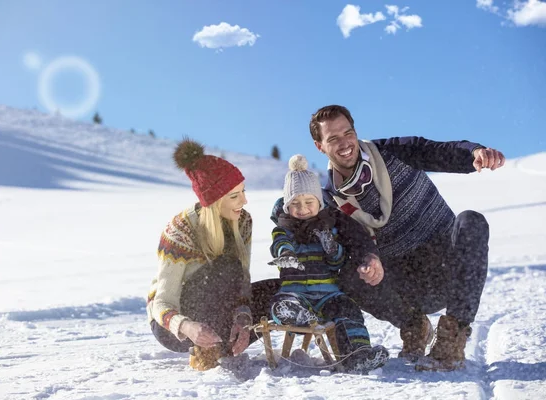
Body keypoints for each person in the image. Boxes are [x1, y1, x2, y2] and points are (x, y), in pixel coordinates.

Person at [298, 104, 505, 372]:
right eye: (333, 139)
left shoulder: (391, 152)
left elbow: (435, 151)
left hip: (446, 266)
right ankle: (413, 326)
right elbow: (349, 243)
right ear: (319, 146)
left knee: (471, 221)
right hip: (403, 283)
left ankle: (452, 337)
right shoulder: (330, 199)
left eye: (347, 133)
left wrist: (475, 153)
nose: (344, 143)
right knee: (348, 271)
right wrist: (367, 259)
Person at [147, 138, 275, 371]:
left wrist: (244, 319)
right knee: (225, 266)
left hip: (220, 312)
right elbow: (161, 303)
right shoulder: (180, 230)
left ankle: (226, 341)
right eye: (234, 196)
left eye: (243, 192)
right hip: (175, 327)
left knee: (279, 290)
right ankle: (208, 352)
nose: (244, 201)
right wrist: (187, 327)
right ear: (215, 201)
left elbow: (242, 280)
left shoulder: (243, 221)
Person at [268, 154, 389, 373]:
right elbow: (279, 244)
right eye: (295, 203)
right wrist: (286, 253)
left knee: (348, 309)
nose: (302, 208)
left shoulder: (329, 229)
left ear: (319, 202)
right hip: (295, 292)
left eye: (308, 202)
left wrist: (332, 248)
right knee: (283, 303)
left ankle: (357, 354)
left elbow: (337, 264)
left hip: (327, 294)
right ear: (287, 206)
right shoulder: (283, 229)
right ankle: (296, 314)